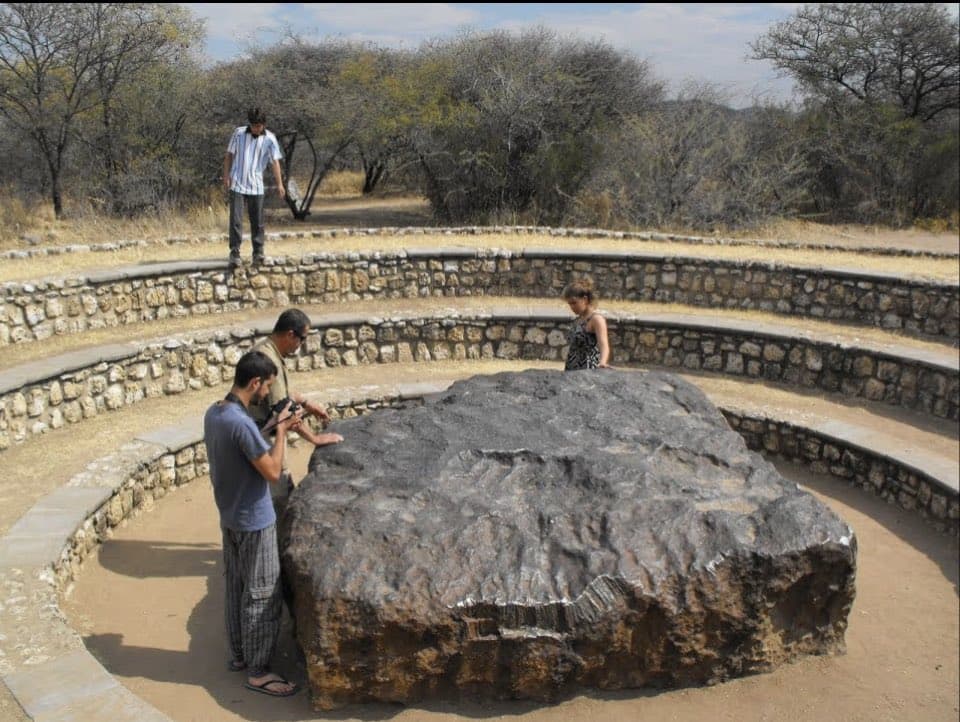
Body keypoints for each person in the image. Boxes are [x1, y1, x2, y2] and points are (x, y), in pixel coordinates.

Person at [203, 350, 302, 698]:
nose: (267, 395)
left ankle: (239, 657)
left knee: (235, 586)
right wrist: (282, 433)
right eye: (267, 387)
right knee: (262, 594)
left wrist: (270, 426)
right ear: (256, 382)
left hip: (229, 516)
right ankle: (259, 671)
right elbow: (272, 471)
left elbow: (241, 447)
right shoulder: (241, 424)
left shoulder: (216, 412)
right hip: (255, 521)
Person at [250, 308, 343, 500]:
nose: (301, 344)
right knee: (282, 497)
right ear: (290, 334)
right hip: (265, 440)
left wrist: (307, 402)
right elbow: (282, 412)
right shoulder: (268, 359)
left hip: (262, 434)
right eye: (302, 338)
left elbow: (281, 394)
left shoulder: (267, 349)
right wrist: (315, 438)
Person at [222, 107, 286, 267]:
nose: (256, 128)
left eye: (259, 125)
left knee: (257, 221)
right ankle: (234, 253)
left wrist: (280, 184)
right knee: (236, 220)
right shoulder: (238, 133)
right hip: (237, 181)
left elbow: (275, 161)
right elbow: (229, 154)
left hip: (256, 185)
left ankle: (258, 251)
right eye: (253, 125)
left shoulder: (270, 139)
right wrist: (226, 175)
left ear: (263, 124)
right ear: (249, 124)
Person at [562, 279, 611, 370]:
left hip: (588, 370)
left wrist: (603, 362)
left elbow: (603, 344)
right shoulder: (577, 320)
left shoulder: (596, 319)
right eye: (569, 304)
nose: (572, 307)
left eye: (574, 303)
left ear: (585, 299)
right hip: (571, 369)